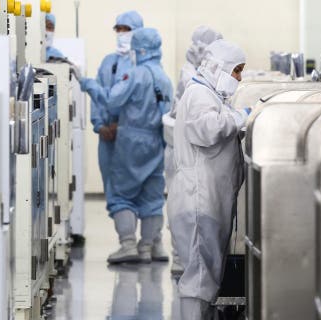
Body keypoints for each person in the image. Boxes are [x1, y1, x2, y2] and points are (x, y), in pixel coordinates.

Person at [167, 39, 250, 319]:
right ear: (220, 68)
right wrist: (240, 118)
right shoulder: (200, 96)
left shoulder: (209, 94)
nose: (239, 78)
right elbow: (206, 130)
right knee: (199, 278)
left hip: (206, 199)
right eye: (237, 71)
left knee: (205, 276)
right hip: (198, 200)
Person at [80, 27, 172, 264]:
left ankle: (128, 244)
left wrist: (88, 84)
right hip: (156, 141)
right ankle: (147, 247)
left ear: (139, 48)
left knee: (122, 194)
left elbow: (112, 99)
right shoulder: (163, 77)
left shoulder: (135, 74)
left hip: (131, 140)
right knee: (152, 198)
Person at [165, 26, 223, 276]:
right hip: (184, 154)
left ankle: (183, 258)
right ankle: (181, 257)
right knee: (184, 208)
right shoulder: (193, 79)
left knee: (186, 207)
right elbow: (204, 124)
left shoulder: (193, 75)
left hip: (182, 153)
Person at [87, 11, 143, 251]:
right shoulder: (108, 62)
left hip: (133, 139)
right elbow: (98, 96)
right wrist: (100, 125)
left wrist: (123, 126)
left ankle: (150, 242)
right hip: (109, 140)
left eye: (126, 29)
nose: (121, 34)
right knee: (115, 189)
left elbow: (144, 102)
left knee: (142, 189)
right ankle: (127, 240)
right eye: (118, 29)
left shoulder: (144, 64)